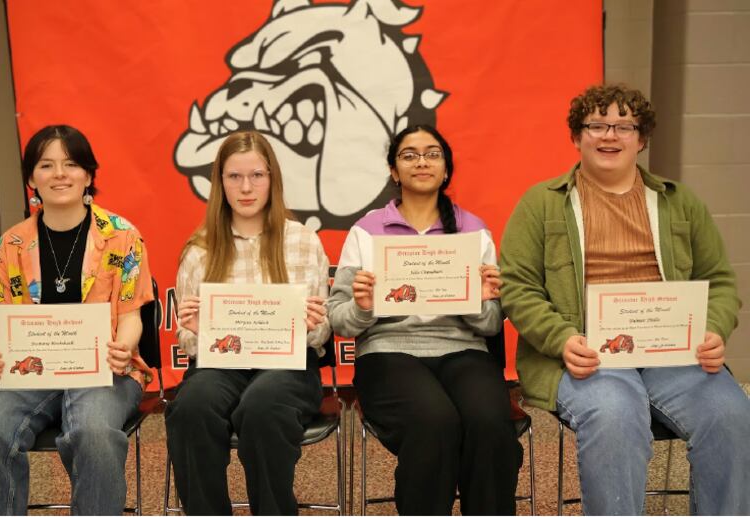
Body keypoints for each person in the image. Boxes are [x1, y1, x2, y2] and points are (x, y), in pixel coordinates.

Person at [499, 83, 750, 515]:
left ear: (642, 138)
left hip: (674, 352)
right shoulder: (540, 204)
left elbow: (720, 281)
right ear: (577, 137)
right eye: (596, 125)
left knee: (731, 414)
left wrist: (712, 328)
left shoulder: (679, 202)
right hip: (583, 353)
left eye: (623, 126)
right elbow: (517, 286)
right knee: (615, 415)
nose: (609, 135)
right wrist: (561, 339)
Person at [0, 125, 154, 515]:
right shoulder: (9, 245)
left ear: (89, 175)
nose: (60, 174)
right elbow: (5, 324)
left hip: (104, 371)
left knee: (93, 433)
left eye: (71, 164)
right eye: (46, 165)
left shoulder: (123, 237)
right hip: (31, 372)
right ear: (31, 178)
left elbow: (132, 315)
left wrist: (124, 347)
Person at [327, 125, 522, 515]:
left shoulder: (473, 230)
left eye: (432, 154)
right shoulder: (366, 232)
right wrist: (364, 306)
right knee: (435, 421)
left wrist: (477, 301)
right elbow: (339, 320)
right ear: (394, 171)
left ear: (446, 169)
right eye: (409, 155)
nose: (422, 162)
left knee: (489, 423)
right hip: (387, 354)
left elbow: (488, 325)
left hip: (463, 349)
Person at [164, 130, 331, 515]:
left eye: (257, 175)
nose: (246, 187)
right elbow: (188, 341)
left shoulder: (303, 241)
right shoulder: (200, 248)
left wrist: (311, 323)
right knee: (190, 409)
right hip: (220, 365)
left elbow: (321, 333)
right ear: (219, 183)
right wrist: (193, 328)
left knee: (262, 407)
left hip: (288, 365)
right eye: (234, 177)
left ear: (273, 179)